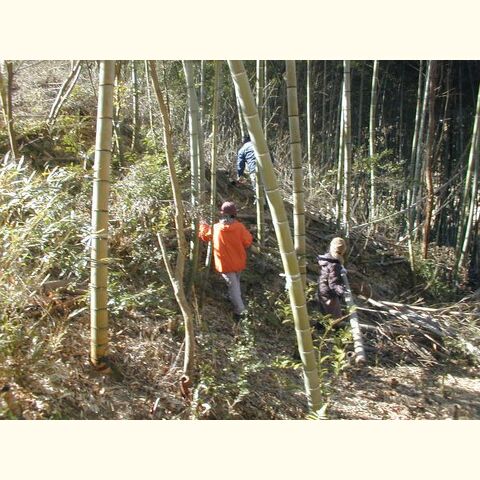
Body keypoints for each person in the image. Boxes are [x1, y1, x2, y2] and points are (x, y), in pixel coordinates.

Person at [198, 201, 253, 321]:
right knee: (235, 284)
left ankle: (240, 311)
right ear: (234, 214)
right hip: (238, 262)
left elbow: (204, 235)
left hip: (225, 264)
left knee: (233, 286)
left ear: (222, 214)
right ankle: (240, 309)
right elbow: (248, 241)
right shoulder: (239, 227)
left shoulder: (216, 228)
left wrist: (202, 224)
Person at [317, 237, 348, 319]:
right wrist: (342, 291)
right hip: (329, 293)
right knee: (334, 317)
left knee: (324, 313)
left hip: (322, 288)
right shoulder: (334, 265)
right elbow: (333, 284)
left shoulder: (326, 259)